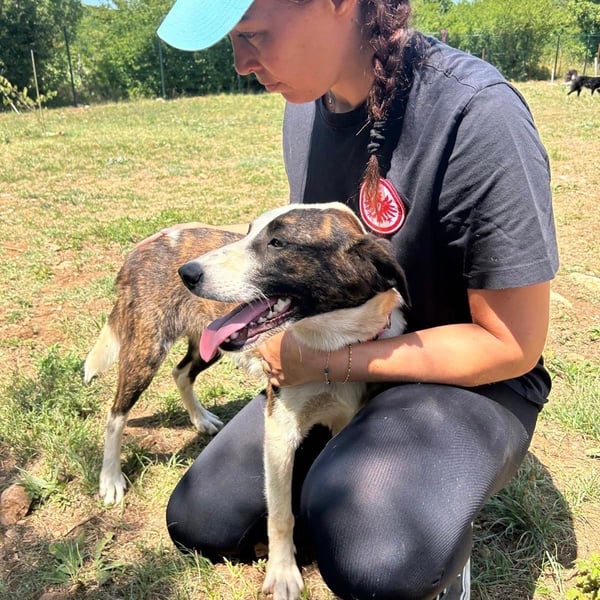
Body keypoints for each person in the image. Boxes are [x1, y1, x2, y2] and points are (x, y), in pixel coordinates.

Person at [157, 1, 559, 599]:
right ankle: (355, 489)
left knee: (375, 555)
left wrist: (325, 362)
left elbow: (512, 346)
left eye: (254, 34)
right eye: (232, 41)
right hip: (348, 355)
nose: (240, 63)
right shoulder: (304, 107)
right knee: (202, 518)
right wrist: (283, 332)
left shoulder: (477, 114)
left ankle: (427, 531)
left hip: (470, 381)